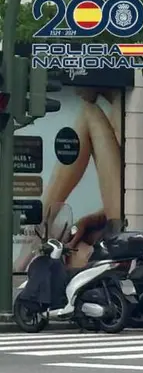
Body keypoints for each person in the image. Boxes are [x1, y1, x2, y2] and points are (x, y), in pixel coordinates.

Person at [14, 88, 123, 271]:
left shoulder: (126, 107)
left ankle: (39, 227)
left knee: (89, 111)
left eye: (78, 84)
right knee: (73, 238)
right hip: (115, 222)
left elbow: (128, 196)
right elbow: (127, 190)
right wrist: (91, 220)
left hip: (120, 223)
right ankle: (40, 226)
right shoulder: (119, 110)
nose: (75, 91)